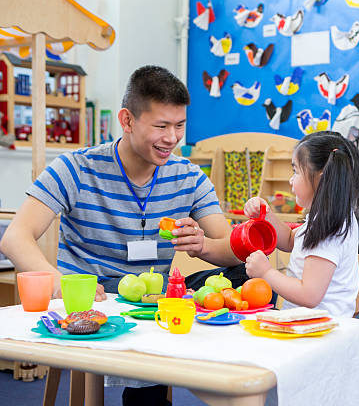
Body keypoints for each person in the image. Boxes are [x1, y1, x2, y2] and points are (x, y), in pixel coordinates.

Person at [0, 65, 247, 405]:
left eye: (179, 126)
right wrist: (58, 281)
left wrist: (202, 245)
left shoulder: (188, 176)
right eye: (161, 126)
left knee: (247, 273)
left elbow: (233, 250)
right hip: (92, 300)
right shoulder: (77, 167)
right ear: (127, 120)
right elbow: (15, 237)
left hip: (151, 304)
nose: (172, 138)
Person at [243, 131, 359, 318]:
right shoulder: (326, 218)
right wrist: (267, 215)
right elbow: (292, 240)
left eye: (296, 171)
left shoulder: (329, 227)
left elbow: (309, 295)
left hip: (320, 329)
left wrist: (266, 272)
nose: (291, 180)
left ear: (321, 178)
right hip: (307, 323)